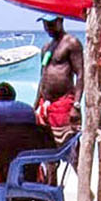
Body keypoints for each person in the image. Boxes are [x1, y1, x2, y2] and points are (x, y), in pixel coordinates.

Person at [33, 15, 83, 145]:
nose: (47, 28)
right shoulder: (46, 47)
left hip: (64, 103)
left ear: (60, 21)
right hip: (47, 105)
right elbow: (42, 78)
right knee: (46, 146)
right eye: (45, 24)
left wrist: (76, 105)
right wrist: (36, 105)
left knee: (70, 146)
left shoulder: (71, 43)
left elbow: (81, 74)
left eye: (50, 24)